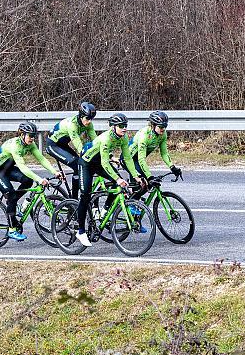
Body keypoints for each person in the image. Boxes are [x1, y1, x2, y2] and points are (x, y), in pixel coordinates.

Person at [75, 113, 143, 247]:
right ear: (113, 127)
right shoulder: (106, 138)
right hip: (87, 163)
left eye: (126, 126)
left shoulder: (123, 138)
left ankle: (104, 211)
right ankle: (80, 231)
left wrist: (135, 176)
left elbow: (128, 158)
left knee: (117, 183)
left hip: (99, 162)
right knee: (85, 195)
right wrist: (117, 179)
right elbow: (106, 164)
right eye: (122, 126)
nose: (124, 129)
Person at [0, 121, 62, 241]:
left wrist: (54, 171)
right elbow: (23, 167)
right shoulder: (15, 146)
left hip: (8, 168)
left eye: (33, 136)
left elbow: (41, 159)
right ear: (22, 134)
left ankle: (18, 206)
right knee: (11, 195)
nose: (32, 138)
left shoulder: (30, 144)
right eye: (30, 136)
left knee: (27, 181)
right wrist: (39, 179)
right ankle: (12, 230)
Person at [123, 110, 182, 202]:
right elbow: (141, 159)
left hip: (137, 161)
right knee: (143, 182)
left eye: (165, 126)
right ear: (153, 125)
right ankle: (132, 202)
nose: (163, 129)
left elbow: (164, 153)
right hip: (128, 159)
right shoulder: (144, 135)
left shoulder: (162, 135)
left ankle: (133, 198)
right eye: (161, 126)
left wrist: (172, 167)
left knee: (150, 184)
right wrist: (150, 177)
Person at [46, 102, 97, 198]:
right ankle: (74, 200)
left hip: (62, 145)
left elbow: (96, 140)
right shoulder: (72, 125)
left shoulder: (88, 124)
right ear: (81, 116)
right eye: (87, 118)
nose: (89, 121)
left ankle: (73, 199)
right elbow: (77, 144)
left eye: (91, 119)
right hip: (52, 145)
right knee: (77, 165)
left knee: (80, 164)